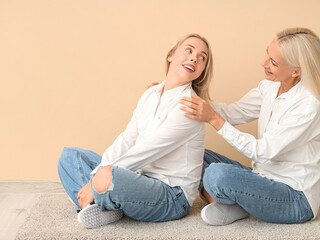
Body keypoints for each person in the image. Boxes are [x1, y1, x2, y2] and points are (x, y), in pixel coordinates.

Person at [179, 27, 320, 225]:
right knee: (194, 155)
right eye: (267, 54)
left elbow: (262, 152)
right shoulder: (270, 86)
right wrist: (177, 93)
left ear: (296, 71)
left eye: (273, 62)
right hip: (261, 178)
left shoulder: (309, 106)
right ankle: (239, 204)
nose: (263, 63)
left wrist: (214, 119)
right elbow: (232, 113)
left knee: (216, 174)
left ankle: (238, 203)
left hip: (295, 199)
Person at [57, 33, 213, 228]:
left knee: (107, 175)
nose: (194, 58)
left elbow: (146, 150)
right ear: (171, 55)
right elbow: (128, 138)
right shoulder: (151, 93)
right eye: (189, 50)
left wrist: (98, 179)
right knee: (70, 157)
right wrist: (98, 174)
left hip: (172, 195)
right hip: (140, 176)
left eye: (202, 58)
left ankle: (99, 202)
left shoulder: (189, 107)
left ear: (202, 71)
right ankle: (105, 204)